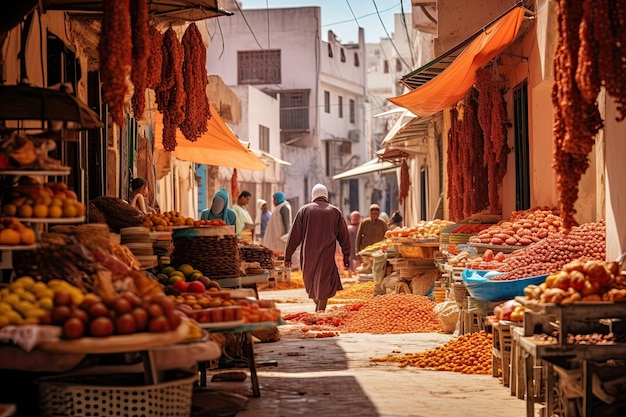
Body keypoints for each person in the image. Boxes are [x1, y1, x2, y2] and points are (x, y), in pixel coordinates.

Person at [284, 184, 351, 312]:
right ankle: (320, 309)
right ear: (326, 195)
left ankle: (320, 312)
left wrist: (288, 256)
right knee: (322, 284)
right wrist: (346, 255)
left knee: (313, 284)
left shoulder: (304, 211)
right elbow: (344, 236)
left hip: (308, 254)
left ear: (313, 195)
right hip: (327, 254)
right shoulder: (335, 212)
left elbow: (293, 236)